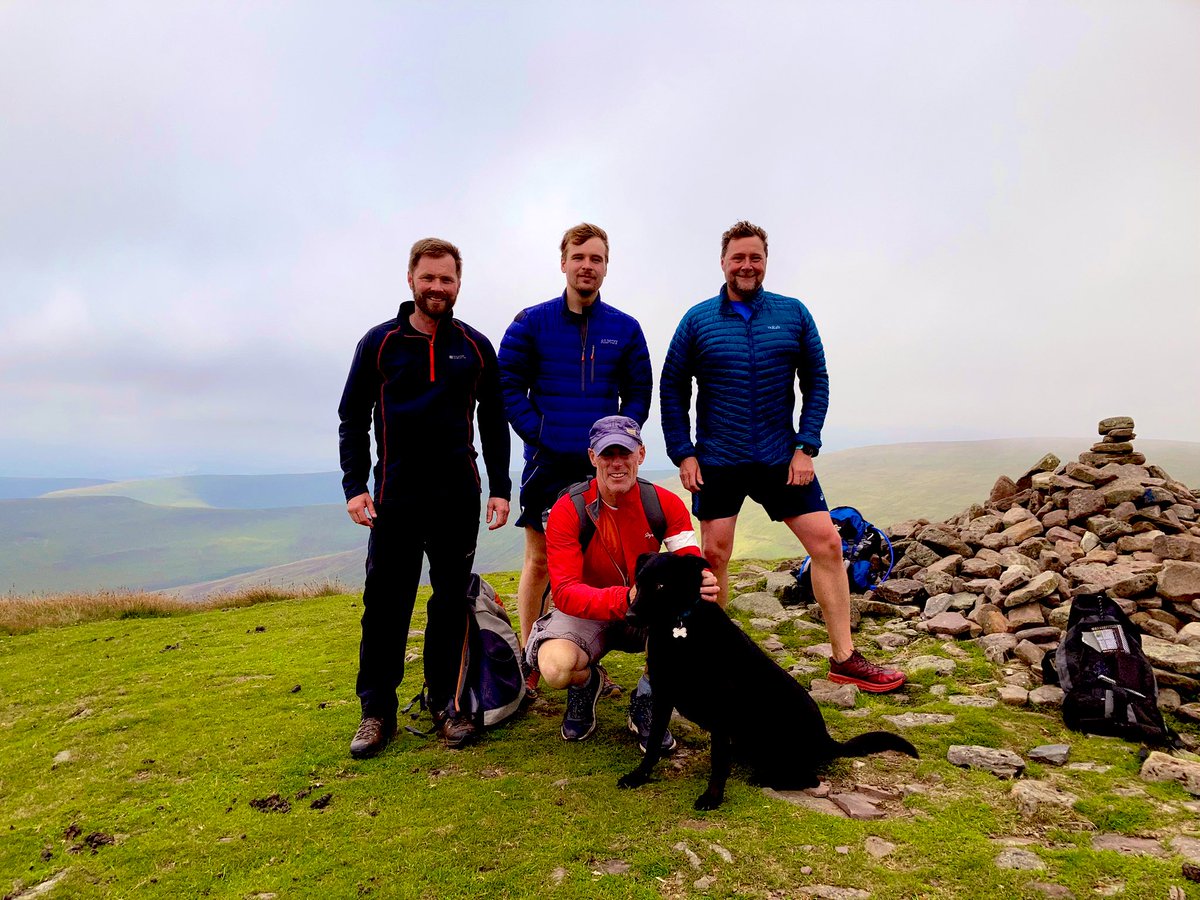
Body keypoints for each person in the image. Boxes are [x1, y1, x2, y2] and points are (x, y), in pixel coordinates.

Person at [660, 220, 905, 693]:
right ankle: (715, 662)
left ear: (766, 261)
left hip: (780, 457)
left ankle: (844, 658)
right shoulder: (697, 320)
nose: (747, 265)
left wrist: (806, 446)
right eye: (738, 257)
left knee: (828, 545)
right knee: (714, 556)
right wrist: (684, 454)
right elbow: (672, 388)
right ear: (723, 262)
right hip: (719, 460)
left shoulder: (792, 314)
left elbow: (817, 381)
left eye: (755, 257)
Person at [338, 237, 512, 757]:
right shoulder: (380, 343)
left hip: (458, 496)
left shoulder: (475, 346)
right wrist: (354, 486)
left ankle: (446, 704)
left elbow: (494, 421)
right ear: (411, 279)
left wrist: (501, 488)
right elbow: (352, 418)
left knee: (450, 603)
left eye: (447, 279)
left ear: (459, 283)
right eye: (429, 277)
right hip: (394, 498)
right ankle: (376, 712)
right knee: (385, 605)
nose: (438, 287)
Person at [498, 223, 653, 675]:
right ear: (563, 262)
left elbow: (639, 392)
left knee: (595, 560)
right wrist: (539, 432)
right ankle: (531, 656)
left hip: (601, 464)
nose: (588, 266)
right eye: (579, 257)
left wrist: (620, 440)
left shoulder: (624, 328)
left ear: (606, 266)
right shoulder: (531, 322)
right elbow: (508, 385)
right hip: (545, 463)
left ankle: (584, 649)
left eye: (596, 259)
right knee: (540, 561)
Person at [527, 415, 719, 749]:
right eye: (607, 454)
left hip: (644, 611)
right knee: (555, 667)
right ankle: (586, 684)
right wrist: (627, 598)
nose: (617, 463)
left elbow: (688, 561)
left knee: (693, 627)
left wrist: (699, 583)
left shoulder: (664, 504)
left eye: (625, 453)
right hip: (589, 613)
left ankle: (647, 698)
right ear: (592, 457)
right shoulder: (567, 510)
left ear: (640, 454)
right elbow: (565, 592)